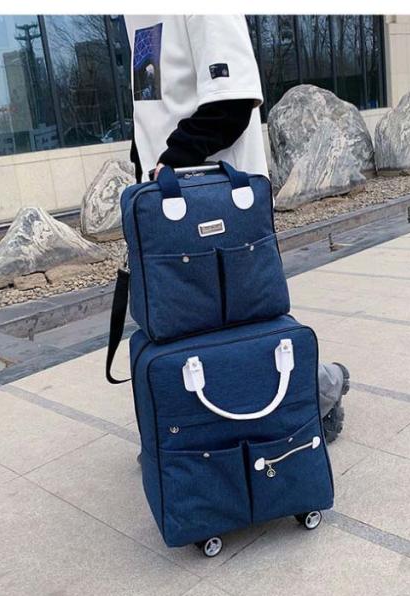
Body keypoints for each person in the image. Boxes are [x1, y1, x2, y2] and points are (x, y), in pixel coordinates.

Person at [124, 14, 349, 442]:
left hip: (219, 199)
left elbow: (232, 104)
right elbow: (154, 105)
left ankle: (322, 388)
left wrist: (168, 163)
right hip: (163, 204)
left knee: (240, 322)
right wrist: (144, 176)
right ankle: (193, 442)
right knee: (186, 326)